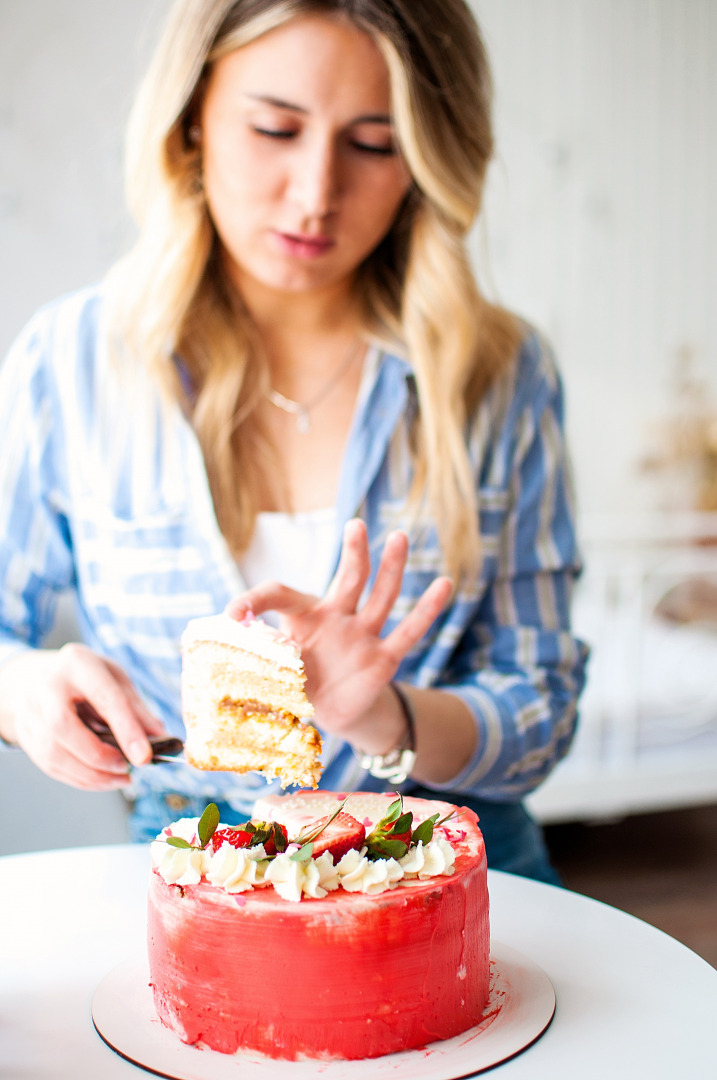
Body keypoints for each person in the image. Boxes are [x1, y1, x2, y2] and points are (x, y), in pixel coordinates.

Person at [0, 0, 588, 882]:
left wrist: (387, 717)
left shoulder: (498, 374)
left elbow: (538, 709)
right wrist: (21, 691)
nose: (316, 193)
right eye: (275, 128)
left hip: (448, 864)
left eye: (375, 143)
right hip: (193, 868)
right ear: (192, 118)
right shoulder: (70, 360)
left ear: (427, 159)